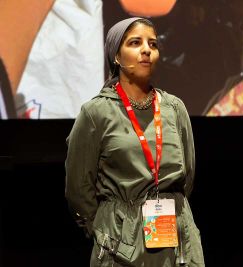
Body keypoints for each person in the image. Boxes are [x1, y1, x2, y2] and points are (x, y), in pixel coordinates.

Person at [65, 17, 204, 266]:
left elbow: (188, 177)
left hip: (177, 239)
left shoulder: (174, 108)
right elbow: (78, 189)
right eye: (135, 42)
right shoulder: (96, 113)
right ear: (116, 56)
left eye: (153, 44)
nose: (146, 50)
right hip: (120, 241)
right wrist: (106, 229)